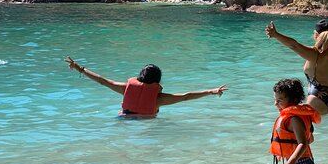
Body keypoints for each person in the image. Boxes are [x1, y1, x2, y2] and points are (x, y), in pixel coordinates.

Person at [65, 57, 227, 117]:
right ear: (157, 81)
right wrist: (210, 91)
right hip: (148, 127)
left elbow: (102, 81)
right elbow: (186, 96)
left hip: (124, 121)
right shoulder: (159, 99)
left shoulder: (125, 88)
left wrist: (80, 69)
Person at [270, 78, 321, 164]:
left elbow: (303, 143)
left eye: (279, 100)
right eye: (275, 100)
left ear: (294, 100)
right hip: (298, 160)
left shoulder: (294, 120)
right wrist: (284, 150)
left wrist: (292, 161)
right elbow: (310, 139)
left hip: (299, 163)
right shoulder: (292, 117)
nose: (275, 104)